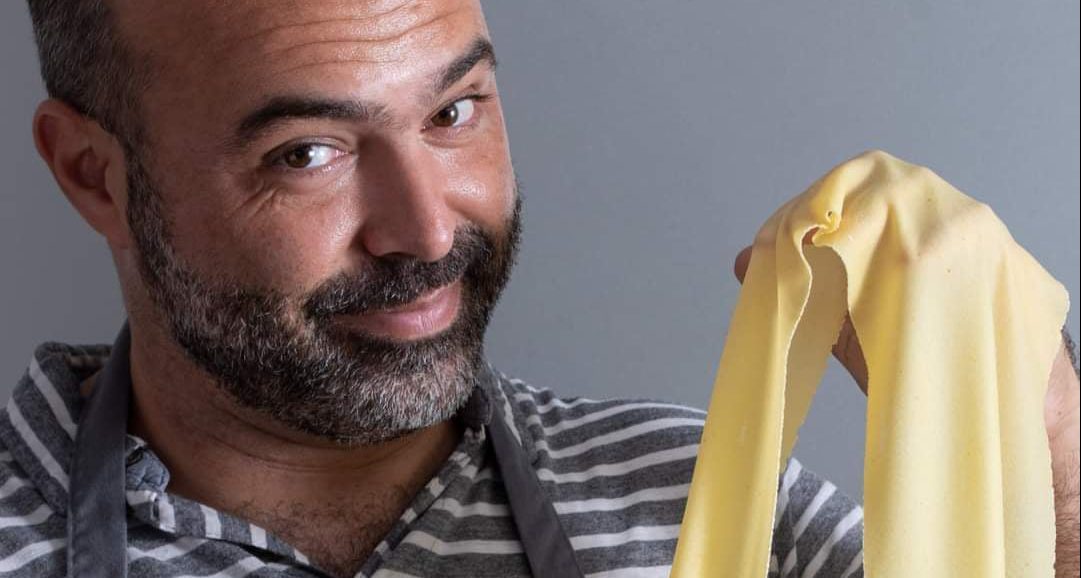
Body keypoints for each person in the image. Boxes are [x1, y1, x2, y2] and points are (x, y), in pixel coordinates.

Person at [0, 1, 1076, 577]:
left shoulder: (701, 498)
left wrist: (1052, 443)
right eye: (307, 153)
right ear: (93, 173)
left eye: (453, 112)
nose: (428, 230)